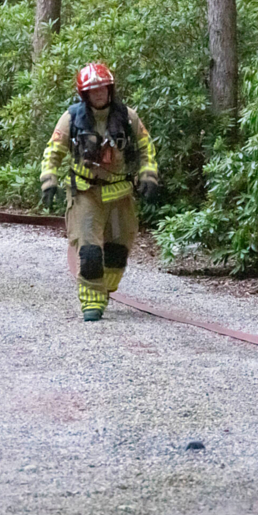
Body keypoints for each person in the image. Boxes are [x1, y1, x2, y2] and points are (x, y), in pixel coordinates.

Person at [40, 63, 159, 321]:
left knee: (117, 252)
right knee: (90, 252)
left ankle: (105, 288)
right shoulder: (71, 118)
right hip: (86, 192)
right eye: (93, 91)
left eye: (103, 89)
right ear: (84, 95)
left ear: (110, 89)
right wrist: (49, 180)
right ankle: (92, 301)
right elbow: (53, 151)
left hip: (120, 193)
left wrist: (149, 175)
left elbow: (145, 148)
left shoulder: (128, 118)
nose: (99, 95)